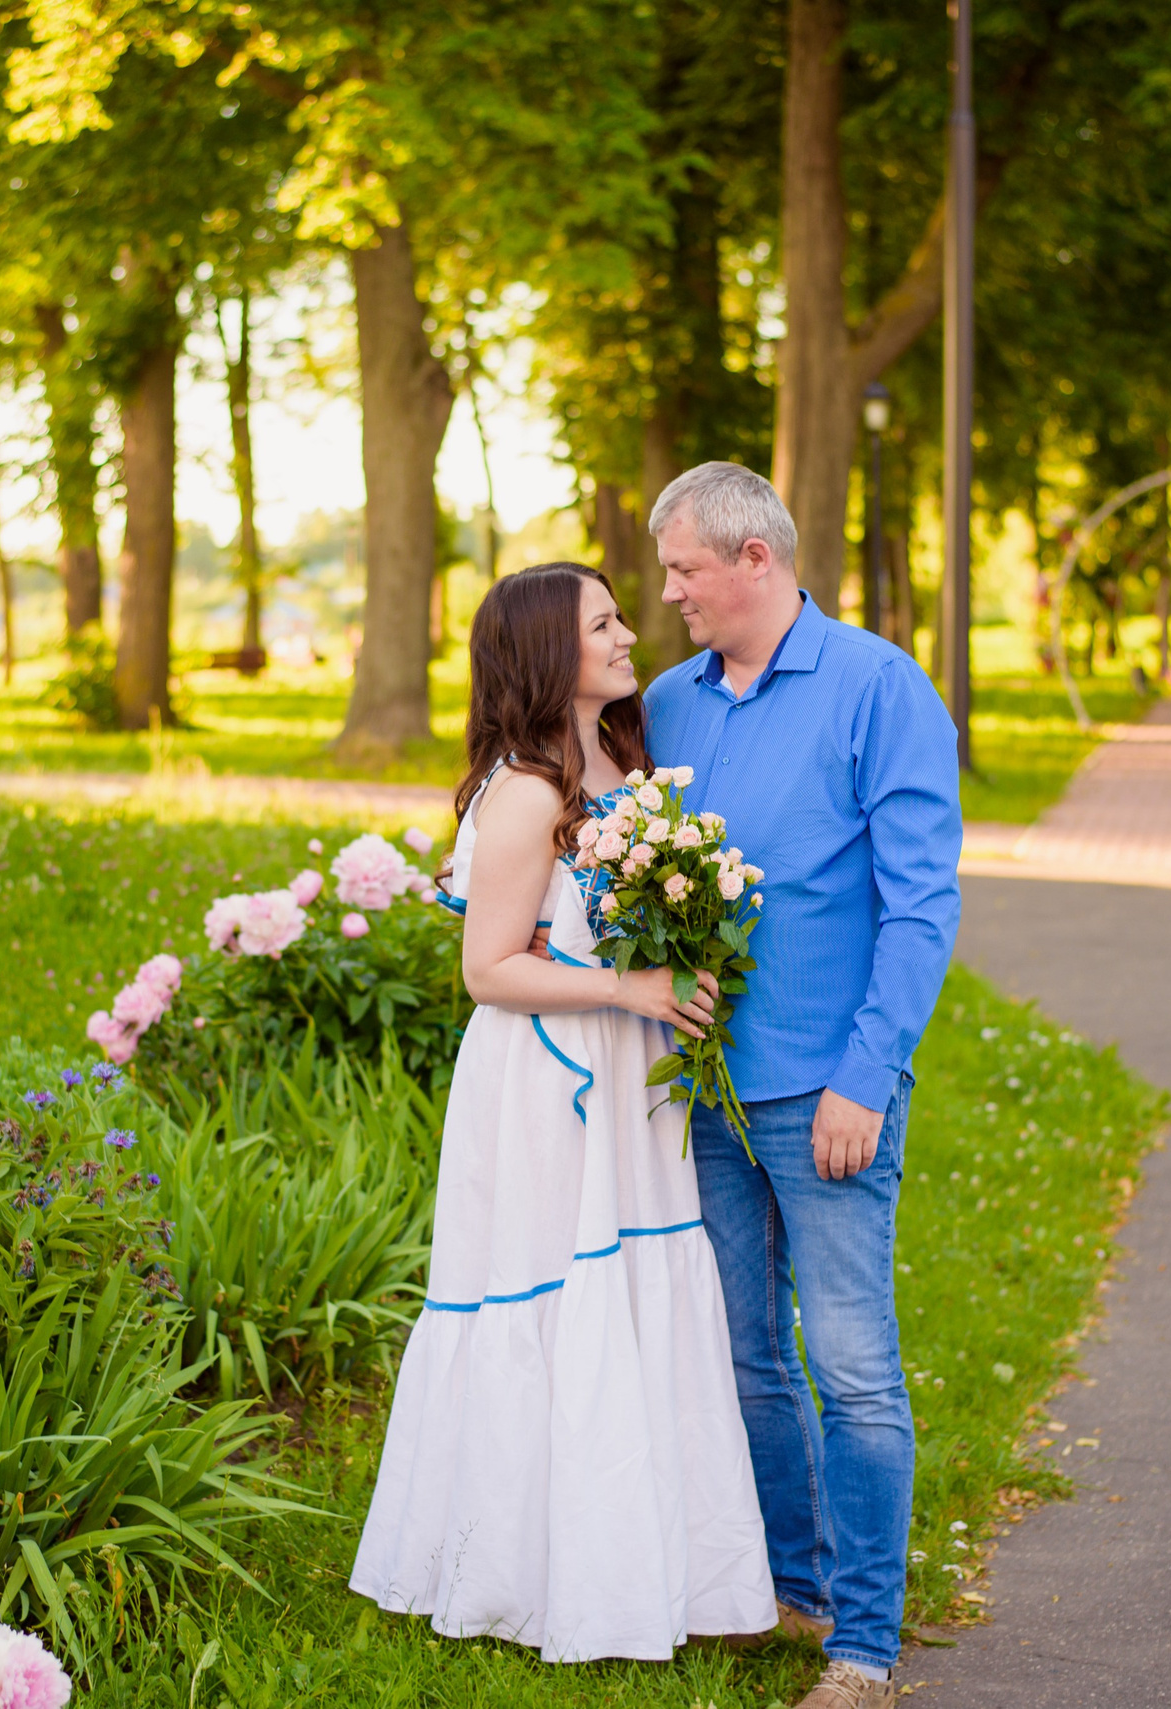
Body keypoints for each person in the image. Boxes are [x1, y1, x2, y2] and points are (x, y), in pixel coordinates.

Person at [350, 562, 776, 1662]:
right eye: (603, 621)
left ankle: (663, 1573)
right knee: (556, 1296)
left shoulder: (624, 760)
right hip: (548, 1081)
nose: (631, 632)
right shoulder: (527, 791)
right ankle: (530, 1575)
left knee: (638, 1290)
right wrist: (626, 987)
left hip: (627, 1074)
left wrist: (683, 959)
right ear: (550, 651)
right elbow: (488, 967)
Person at [641, 463, 963, 1709]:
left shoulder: (878, 687)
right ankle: (796, 1582)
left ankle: (865, 1647)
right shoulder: (669, 701)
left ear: (754, 559)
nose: (667, 591)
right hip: (702, 1093)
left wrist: (864, 1077)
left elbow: (921, 904)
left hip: (825, 1091)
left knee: (852, 1365)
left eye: (683, 569)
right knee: (743, 1354)